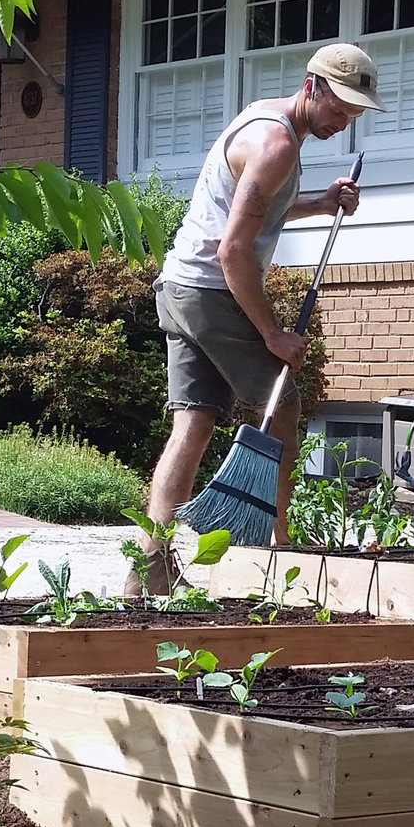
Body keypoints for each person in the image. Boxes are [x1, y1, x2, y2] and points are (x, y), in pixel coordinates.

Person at [131, 42, 380, 596]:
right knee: (286, 404)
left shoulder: (263, 119)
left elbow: (252, 205)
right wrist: (272, 333)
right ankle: (277, 546)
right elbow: (233, 252)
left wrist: (317, 203)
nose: (343, 122)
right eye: (338, 109)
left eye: (354, 113)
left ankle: (148, 565)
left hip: (178, 286)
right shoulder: (276, 144)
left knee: (192, 424)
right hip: (211, 291)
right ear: (312, 87)